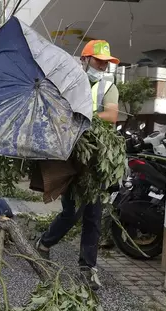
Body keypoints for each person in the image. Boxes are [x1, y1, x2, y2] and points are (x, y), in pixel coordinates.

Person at [36, 40, 120, 290]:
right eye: (98, 61)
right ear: (84, 60)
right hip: (71, 154)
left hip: (96, 157)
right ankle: (44, 243)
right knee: (72, 211)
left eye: (106, 62)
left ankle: (87, 267)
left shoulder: (109, 86)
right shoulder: (68, 83)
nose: (103, 67)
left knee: (93, 215)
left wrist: (83, 117)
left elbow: (112, 116)